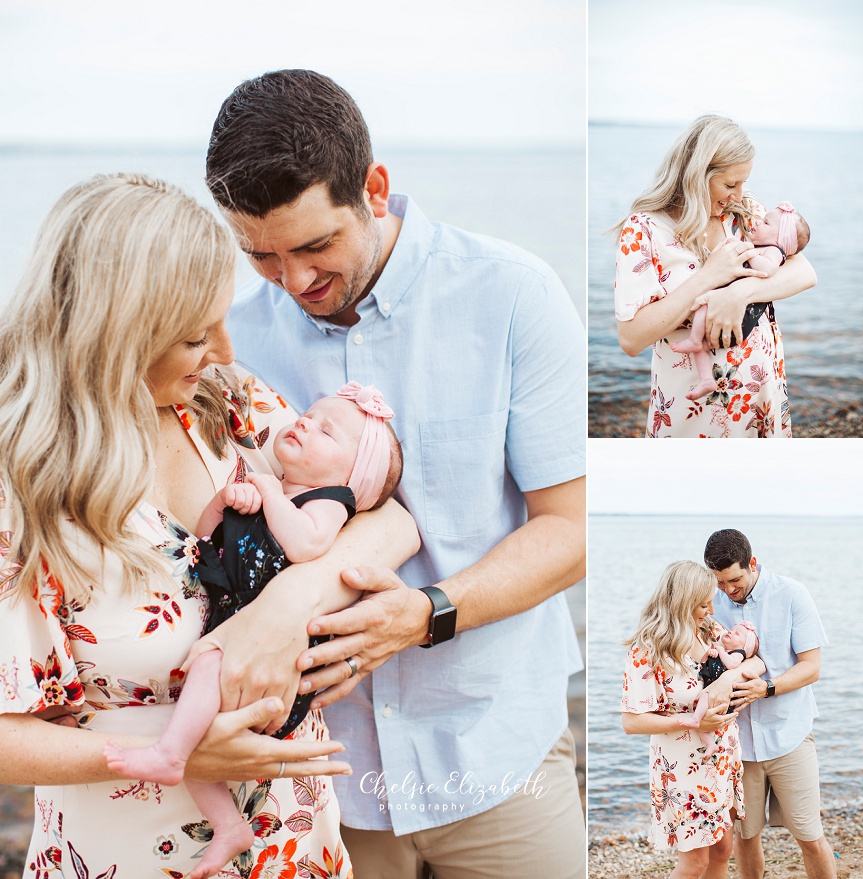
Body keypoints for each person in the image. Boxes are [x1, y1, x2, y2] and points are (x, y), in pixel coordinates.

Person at [205, 69, 587, 877]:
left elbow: (572, 530)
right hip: (320, 781)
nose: (294, 282)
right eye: (262, 256)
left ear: (374, 189)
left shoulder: (514, 295)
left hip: (496, 754)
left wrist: (427, 613)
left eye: (314, 246)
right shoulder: (235, 340)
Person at [0, 173, 419, 877]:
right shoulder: (23, 483)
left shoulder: (230, 404)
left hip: (294, 843)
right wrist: (180, 749)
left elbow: (388, 518)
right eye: (197, 334)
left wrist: (288, 607)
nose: (226, 349)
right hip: (124, 852)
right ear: (117, 336)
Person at [102, 382, 401, 878]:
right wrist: (224, 502)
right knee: (199, 731)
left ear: (355, 479)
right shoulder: (276, 488)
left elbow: (306, 544)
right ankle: (226, 822)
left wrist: (264, 492)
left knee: (203, 674)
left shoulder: (330, 502)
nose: (305, 422)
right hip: (236, 616)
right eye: (309, 414)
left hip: (265, 649)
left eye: (327, 431)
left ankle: (169, 753)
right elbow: (202, 539)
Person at [613, 114, 817, 437]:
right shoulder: (644, 231)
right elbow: (631, 338)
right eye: (730, 184)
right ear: (696, 175)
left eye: (743, 183)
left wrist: (739, 294)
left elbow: (805, 272)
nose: (738, 194)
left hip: (760, 401)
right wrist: (707, 278)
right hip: (693, 412)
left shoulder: (743, 211)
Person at [705, 529, 837, 879]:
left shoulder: (792, 594)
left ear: (752, 563)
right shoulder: (711, 602)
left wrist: (765, 689)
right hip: (736, 746)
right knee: (744, 838)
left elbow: (811, 668)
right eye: (719, 582)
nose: (728, 590)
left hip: (789, 736)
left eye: (734, 580)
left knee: (810, 837)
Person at [620, 560, 764, 879]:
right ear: (682, 603)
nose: (712, 609)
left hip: (721, 759)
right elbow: (632, 722)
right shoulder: (647, 650)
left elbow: (756, 662)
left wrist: (730, 679)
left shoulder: (710, 631)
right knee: (694, 863)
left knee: (723, 850)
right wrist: (692, 723)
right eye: (703, 603)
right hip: (681, 767)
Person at [670, 203, 811, 400]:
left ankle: (695, 340)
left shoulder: (774, 251)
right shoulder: (761, 246)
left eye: (766, 223)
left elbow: (768, 270)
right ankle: (706, 380)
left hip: (741, 317)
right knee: (701, 325)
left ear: (780, 239)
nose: (758, 221)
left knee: (702, 308)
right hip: (726, 303)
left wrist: (748, 251)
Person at [679, 621, 761, 752]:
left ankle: (695, 720)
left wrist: (721, 651)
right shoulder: (721, 650)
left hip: (719, 694)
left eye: (737, 634)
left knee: (704, 699)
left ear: (745, 646)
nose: (731, 632)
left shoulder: (738, 654)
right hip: (712, 685)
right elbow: (703, 663)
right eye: (732, 629)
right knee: (701, 720)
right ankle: (710, 744)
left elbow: (732, 664)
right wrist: (710, 653)